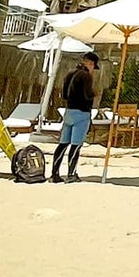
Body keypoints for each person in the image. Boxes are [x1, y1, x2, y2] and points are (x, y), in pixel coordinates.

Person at [52, 51, 100, 183]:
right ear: (90, 64)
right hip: (81, 112)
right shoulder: (86, 76)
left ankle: (54, 173)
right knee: (76, 145)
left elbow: (65, 95)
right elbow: (87, 95)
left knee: (63, 144)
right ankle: (71, 174)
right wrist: (94, 93)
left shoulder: (70, 74)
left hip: (69, 111)